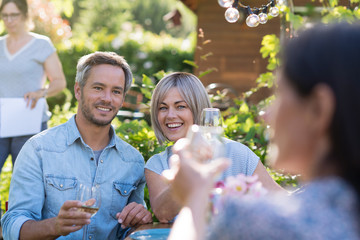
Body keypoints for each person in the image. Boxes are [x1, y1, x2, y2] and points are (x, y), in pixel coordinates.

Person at [166, 22, 360, 240]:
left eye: (279, 95)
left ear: (318, 110)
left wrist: (194, 198)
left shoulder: (263, 222)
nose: (265, 115)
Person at [1, 51, 153, 240]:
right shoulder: (38, 150)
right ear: (78, 90)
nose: (107, 98)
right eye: (98, 88)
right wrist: (55, 226)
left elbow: (128, 231)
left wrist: (140, 221)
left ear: (122, 99)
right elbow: (11, 227)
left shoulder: (133, 161)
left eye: (116, 91)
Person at [145, 72, 284, 222]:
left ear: (198, 109)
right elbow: (162, 214)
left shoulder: (237, 154)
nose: (170, 115)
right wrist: (189, 175)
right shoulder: (156, 165)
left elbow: (281, 201)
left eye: (180, 106)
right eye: (163, 108)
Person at [0, 0, 66, 173]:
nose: (9, 20)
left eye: (14, 15)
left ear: (25, 15)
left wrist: (41, 92)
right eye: (5, 15)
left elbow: (59, 81)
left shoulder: (41, 45)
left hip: (29, 121)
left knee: (25, 177)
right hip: (1, 120)